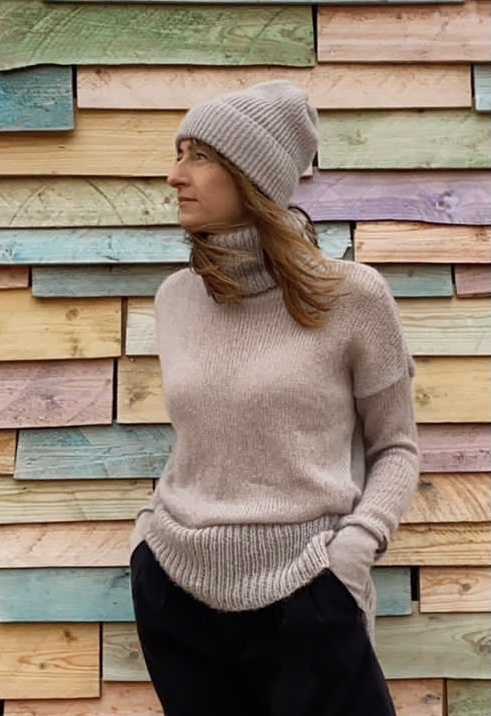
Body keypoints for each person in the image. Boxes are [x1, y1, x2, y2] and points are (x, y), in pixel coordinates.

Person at [130, 80, 419, 716]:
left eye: (199, 156)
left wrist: (353, 550)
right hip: (177, 591)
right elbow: (200, 441)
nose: (175, 175)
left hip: (309, 591)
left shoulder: (352, 297)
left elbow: (396, 447)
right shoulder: (175, 298)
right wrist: (145, 538)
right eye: (178, 153)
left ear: (252, 176)